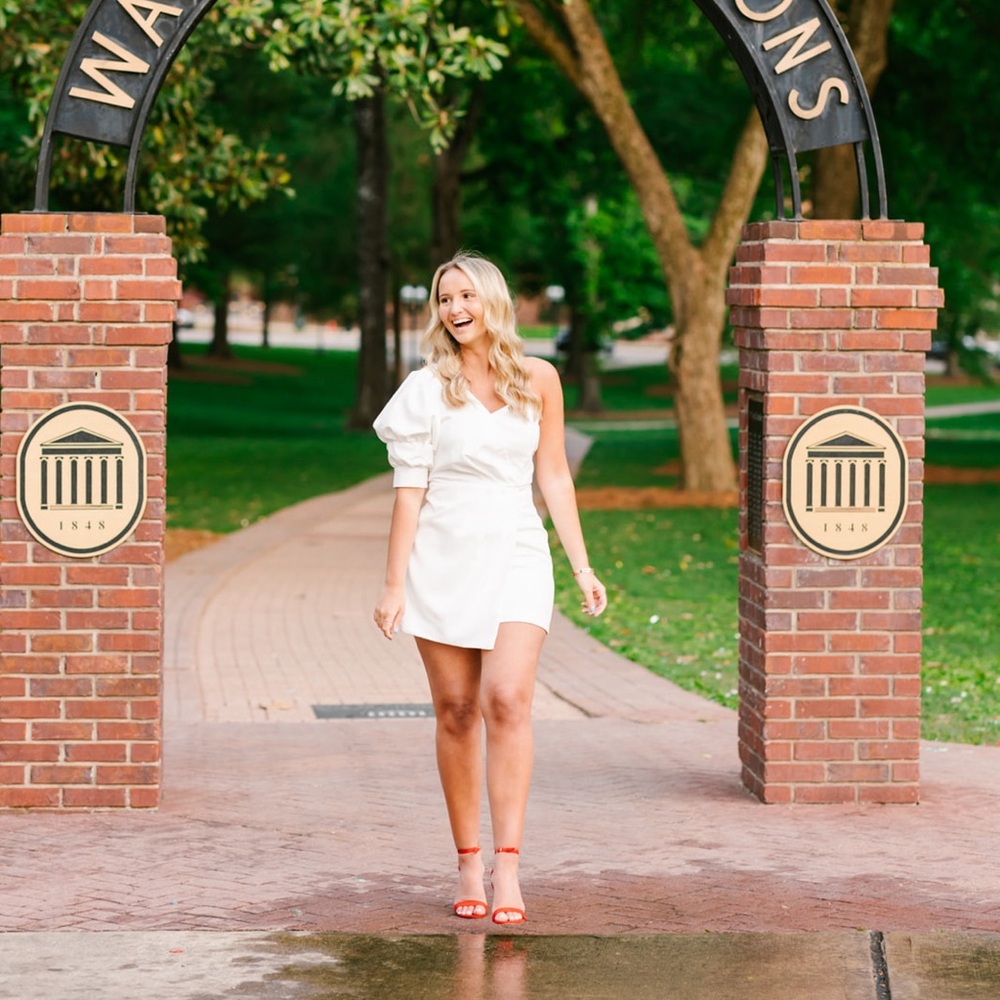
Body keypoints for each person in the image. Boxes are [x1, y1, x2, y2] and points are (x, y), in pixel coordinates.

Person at [372, 253, 607, 926]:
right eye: (445, 298)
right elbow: (409, 494)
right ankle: (468, 860)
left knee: (506, 700)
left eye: (466, 295)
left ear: (492, 301)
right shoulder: (424, 389)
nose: (454, 308)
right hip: (442, 555)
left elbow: (555, 476)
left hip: (517, 551)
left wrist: (582, 565)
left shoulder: (539, 378)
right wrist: (393, 585)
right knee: (454, 709)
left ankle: (509, 866)